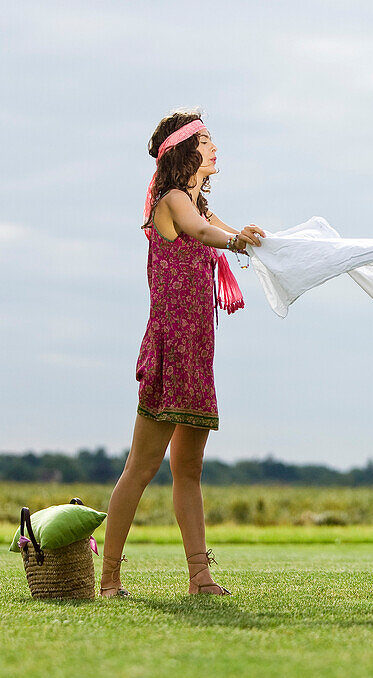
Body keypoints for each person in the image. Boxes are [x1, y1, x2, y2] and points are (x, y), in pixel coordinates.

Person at [100, 109, 266, 597]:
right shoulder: (173, 201)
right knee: (142, 467)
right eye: (207, 140)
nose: (215, 147)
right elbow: (203, 233)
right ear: (186, 150)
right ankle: (108, 578)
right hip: (171, 351)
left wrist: (264, 244)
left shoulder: (199, 203)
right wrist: (235, 240)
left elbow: (226, 233)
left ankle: (200, 578)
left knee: (189, 470)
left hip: (197, 354)